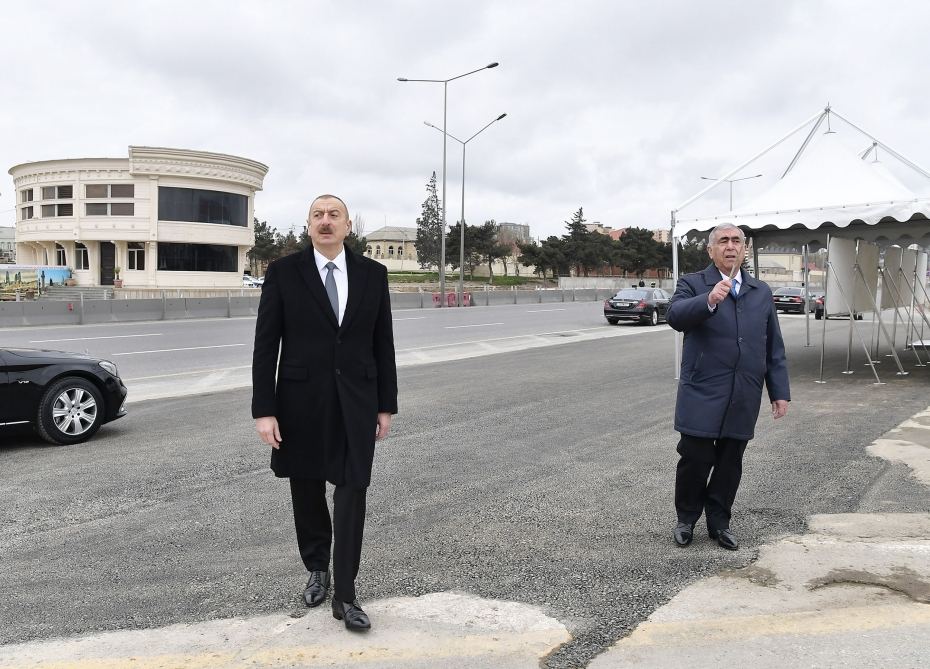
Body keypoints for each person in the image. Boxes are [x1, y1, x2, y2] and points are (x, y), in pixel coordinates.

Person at [252, 194, 398, 631]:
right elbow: (266, 345)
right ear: (308, 225)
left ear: (348, 226)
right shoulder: (283, 273)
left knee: (353, 489)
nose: (326, 221)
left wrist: (385, 404)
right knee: (308, 489)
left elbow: (382, 343)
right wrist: (265, 409)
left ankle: (347, 595)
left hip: (357, 401)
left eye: (334, 215)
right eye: (318, 215)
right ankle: (318, 568)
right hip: (301, 402)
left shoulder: (374, 275)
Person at [666, 223, 789, 551]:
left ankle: (719, 522)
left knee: (730, 460)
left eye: (736, 241)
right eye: (723, 241)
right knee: (695, 457)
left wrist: (779, 392)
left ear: (744, 249)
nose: (730, 246)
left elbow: (772, 346)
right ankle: (686, 518)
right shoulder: (693, 284)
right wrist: (708, 299)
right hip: (702, 390)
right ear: (711, 250)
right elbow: (675, 316)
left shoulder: (760, 292)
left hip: (743, 392)